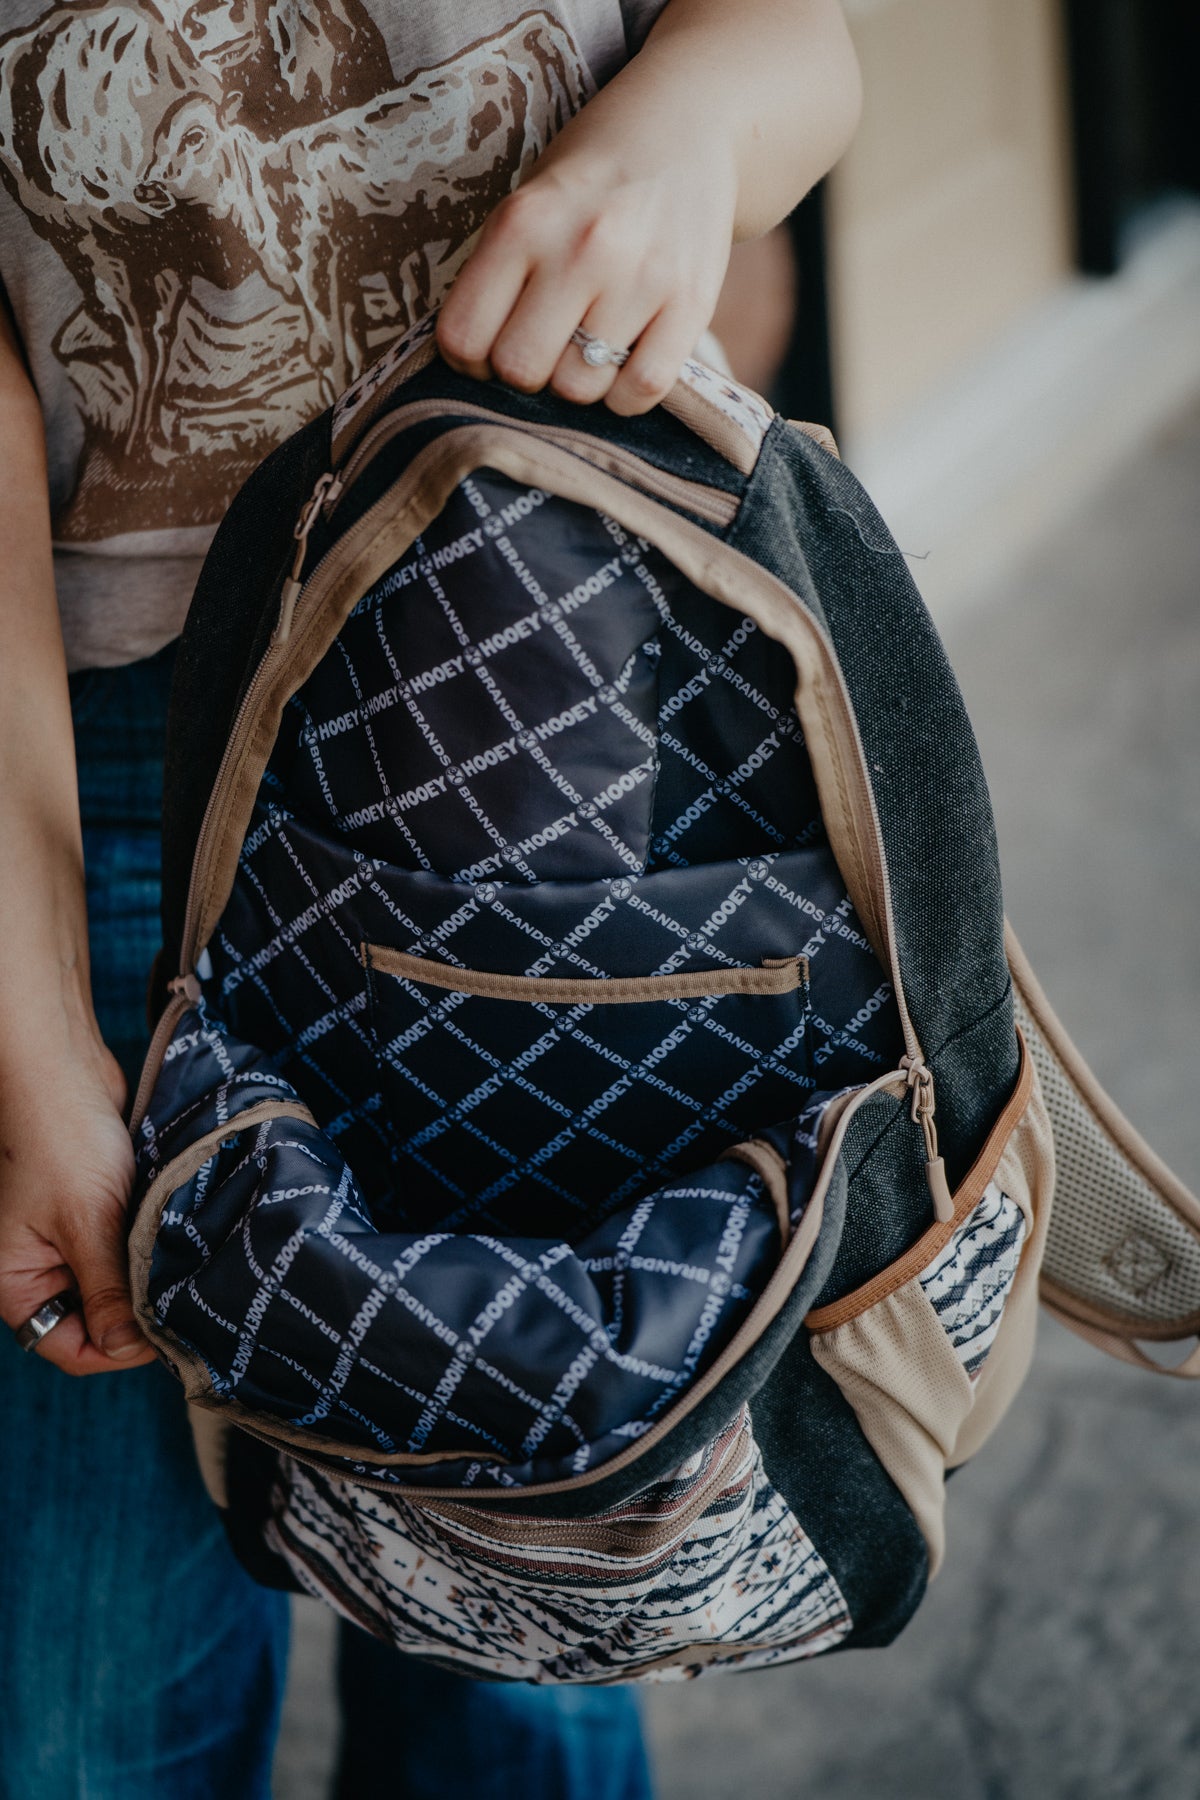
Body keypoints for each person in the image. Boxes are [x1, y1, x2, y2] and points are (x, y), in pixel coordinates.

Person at [0, 3, 862, 1794]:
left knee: (529, 1604)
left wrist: (692, 123)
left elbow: (791, 34)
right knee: (91, 1688)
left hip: (551, 681)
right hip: (80, 757)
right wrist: (27, 1032)